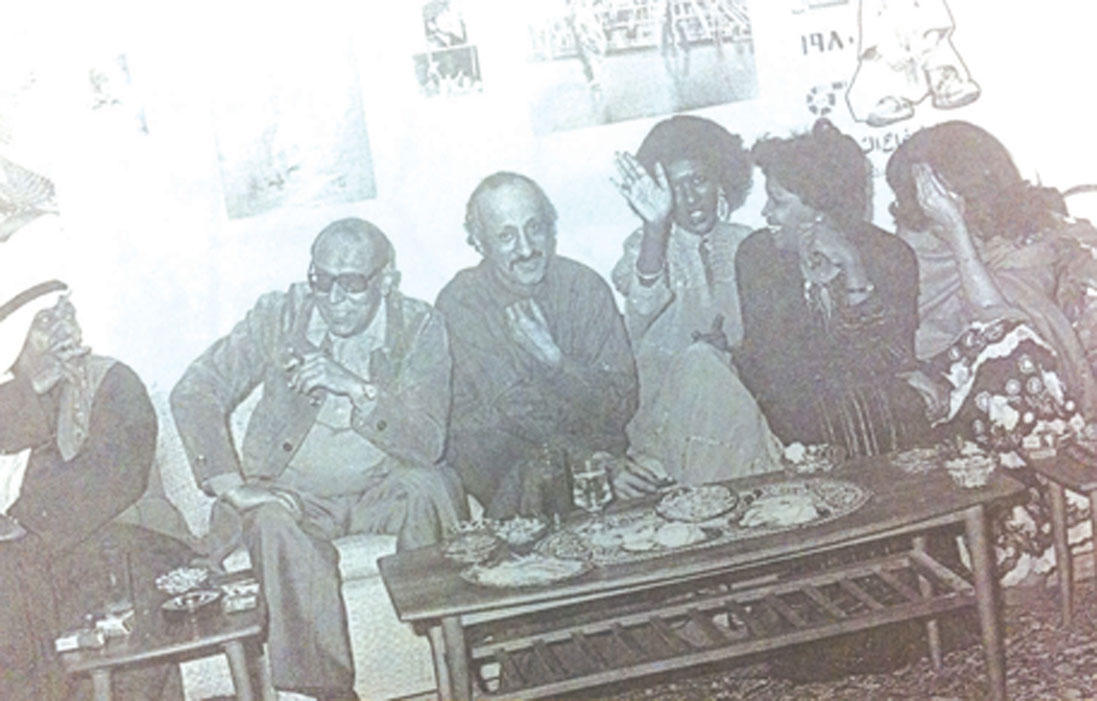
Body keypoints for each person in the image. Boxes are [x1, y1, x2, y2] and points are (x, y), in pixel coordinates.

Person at [171, 218, 464, 701]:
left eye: (352, 284)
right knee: (269, 521)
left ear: (386, 281)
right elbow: (195, 389)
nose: (334, 299)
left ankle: (450, 654)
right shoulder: (279, 316)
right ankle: (329, 694)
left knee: (430, 485)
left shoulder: (419, 326)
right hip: (296, 498)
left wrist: (356, 388)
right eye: (321, 281)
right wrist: (233, 487)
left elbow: (427, 444)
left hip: (380, 491)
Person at [886, 122, 1097, 579]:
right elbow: (911, 331)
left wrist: (957, 232)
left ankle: (1068, 530)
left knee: (1010, 348)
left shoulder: (1028, 238)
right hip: (951, 404)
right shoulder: (915, 245)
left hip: (1029, 393)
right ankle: (1030, 541)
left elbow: (1002, 318)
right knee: (1004, 351)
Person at [0, 286, 195, 701]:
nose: (63, 329)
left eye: (66, 314)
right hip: (37, 563)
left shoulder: (112, 380)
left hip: (132, 542)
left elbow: (114, 475)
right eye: (45, 322)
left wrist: (23, 524)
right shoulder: (8, 401)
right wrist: (30, 392)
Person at [436, 172, 645, 519]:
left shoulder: (584, 287)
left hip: (597, 457)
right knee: (539, 474)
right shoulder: (462, 303)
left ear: (551, 228)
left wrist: (556, 362)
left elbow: (622, 402)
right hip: (511, 468)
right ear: (479, 242)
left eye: (534, 228)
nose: (526, 249)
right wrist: (593, 464)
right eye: (506, 236)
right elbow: (516, 411)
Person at [735, 118, 929, 457]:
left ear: (820, 210)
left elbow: (894, 357)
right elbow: (778, 370)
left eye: (778, 201)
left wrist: (853, 271)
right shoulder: (758, 256)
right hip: (791, 420)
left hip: (870, 414)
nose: (766, 212)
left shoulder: (890, 256)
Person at [611, 115, 782, 483]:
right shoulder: (647, 246)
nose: (689, 199)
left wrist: (731, 353)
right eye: (675, 188)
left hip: (743, 420)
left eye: (699, 181)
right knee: (699, 363)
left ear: (721, 180)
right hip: (670, 428)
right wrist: (655, 226)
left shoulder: (749, 243)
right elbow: (643, 300)